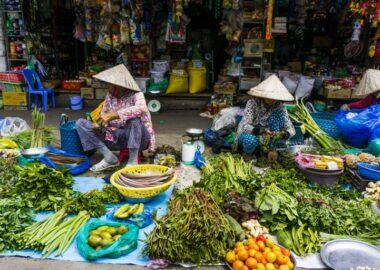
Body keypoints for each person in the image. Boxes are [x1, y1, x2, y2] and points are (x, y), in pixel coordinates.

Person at [76, 64, 155, 172]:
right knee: (81, 123)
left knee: (134, 120)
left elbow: (141, 109)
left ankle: (132, 162)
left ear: (121, 86)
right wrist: (99, 124)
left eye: (111, 85)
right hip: (115, 137)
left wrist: (114, 115)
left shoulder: (137, 94)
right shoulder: (110, 95)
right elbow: (104, 115)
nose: (109, 88)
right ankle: (109, 157)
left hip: (139, 138)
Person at [235, 75, 295, 157]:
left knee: (278, 114)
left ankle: (270, 151)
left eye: (275, 97)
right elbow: (245, 126)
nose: (272, 100)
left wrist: (284, 134)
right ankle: (247, 154)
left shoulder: (279, 106)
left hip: (269, 137)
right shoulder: (252, 103)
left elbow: (290, 128)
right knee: (251, 141)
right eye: (269, 97)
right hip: (251, 134)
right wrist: (260, 130)